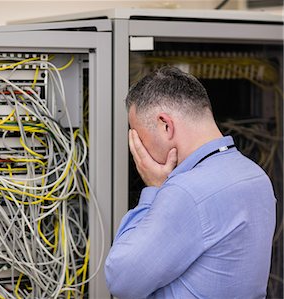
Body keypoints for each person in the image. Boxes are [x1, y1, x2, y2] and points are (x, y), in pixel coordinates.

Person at [104, 66, 276, 299]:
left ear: (166, 125)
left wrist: (154, 188)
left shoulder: (187, 192)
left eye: (137, 134)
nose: (138, 148)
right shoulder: (255, 176)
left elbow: (121, 280)